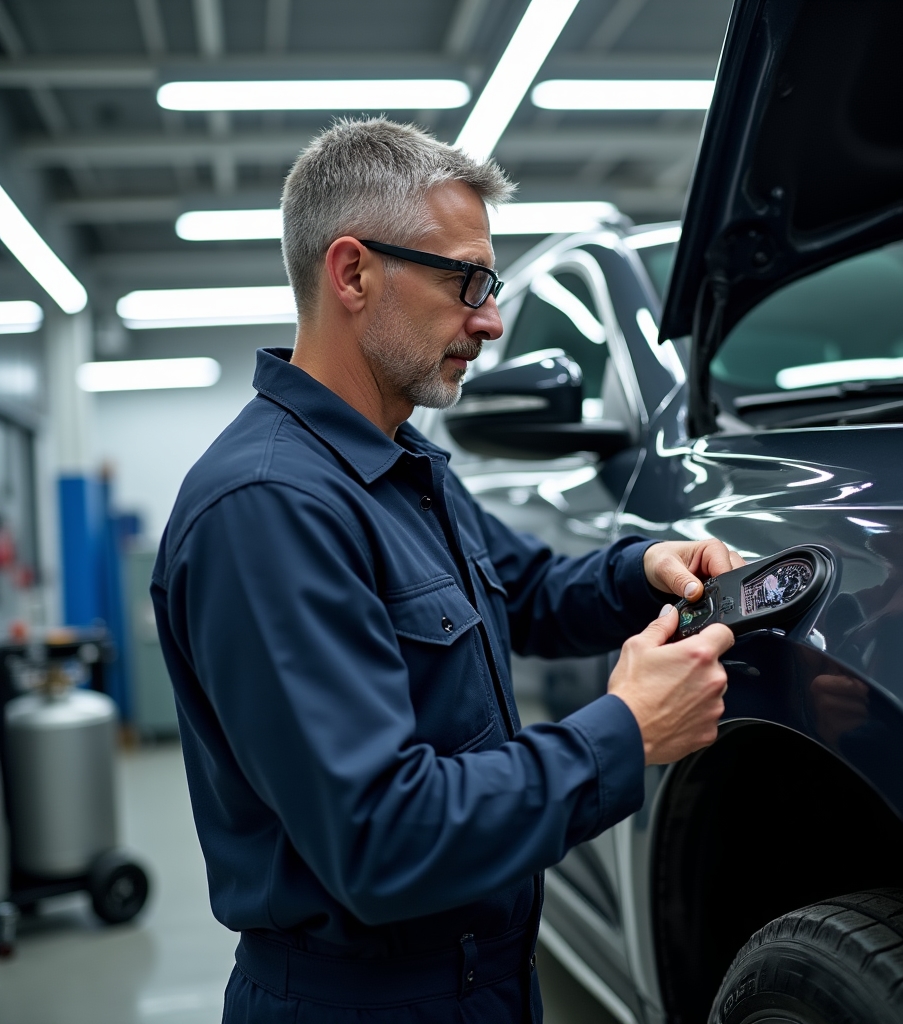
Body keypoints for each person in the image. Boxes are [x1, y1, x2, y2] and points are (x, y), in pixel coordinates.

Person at [152, 118, 739, 1024]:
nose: (491, 318)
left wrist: (640, 570)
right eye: (465, 280)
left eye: (489, 284)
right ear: (352, 272)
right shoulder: (269, 509)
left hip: (482, 978)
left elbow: (531, 594)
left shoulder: (399, 468)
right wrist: (625, 731)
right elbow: (383, 838)